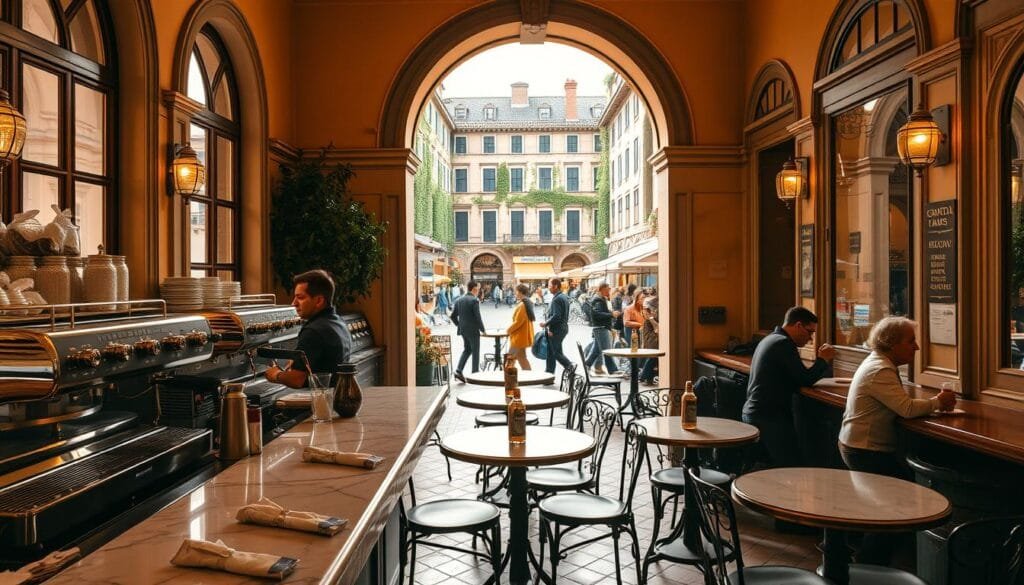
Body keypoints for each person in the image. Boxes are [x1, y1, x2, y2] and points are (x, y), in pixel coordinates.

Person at [838, 316, 955, 565]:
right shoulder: (880, 369)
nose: (917, 347)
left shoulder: (880, 363)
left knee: (886, 506)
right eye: (911, 341)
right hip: (865, 450)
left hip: (859, 446)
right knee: (895, 508)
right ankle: (868, 567)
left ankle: (864, 561)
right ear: (892, 344)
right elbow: (907, 409)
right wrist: (938, 402)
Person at [741, 306, 836, 468]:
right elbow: (805, 379)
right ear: (798, 325)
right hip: (769, 418)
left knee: (765, 468)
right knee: (790, 468)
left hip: (755, 412)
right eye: (810, 332)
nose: (811, 339)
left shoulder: (770, 339)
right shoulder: (783, 344)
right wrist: (823, 360)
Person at [265, 269, 353, 388]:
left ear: (319, 301)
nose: (293, 303)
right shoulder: (338, 322)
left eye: (300, 297)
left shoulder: (313, 331)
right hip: (336, 396)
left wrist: (275, 374)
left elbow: (297, 379)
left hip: (321, 400)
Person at [450, 280, 486, 382]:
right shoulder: (474, 301)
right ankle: (475, 375)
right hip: (473, 330)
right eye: (478, 289)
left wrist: (459, 325)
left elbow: (452, 316)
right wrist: (483, 330)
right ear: (474, 289)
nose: (478, 291)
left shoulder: (459, 300)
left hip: (463, 330)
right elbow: (478, 317)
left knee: (467, 349)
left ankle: (459, 370)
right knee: (475, 352)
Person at [538, 278, 574, 376]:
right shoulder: (562, 297)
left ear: (555, 286)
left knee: (553, 352)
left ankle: (569, 367)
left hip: (557, 329)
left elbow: (556, 316)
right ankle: (550, 373)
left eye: (549, 286)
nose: (548, 288)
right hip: (562, 328)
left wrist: (546, 324)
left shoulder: (557, 299)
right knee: (556, 351)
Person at [584, 282, 620, 375]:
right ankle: (613, 370)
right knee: (607, 350)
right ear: (602, 289)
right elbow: (596, 314)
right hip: (601, 327)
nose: (609, 291)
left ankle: (587, 364)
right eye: (608, 289)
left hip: (601, 327)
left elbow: (599, 312)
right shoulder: (598, 300)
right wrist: (611, 314)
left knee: (596, 350)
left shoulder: (600, 299)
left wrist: (610, 312)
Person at [506, 283, 535, 370]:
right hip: (522, 337)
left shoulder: (523, 305)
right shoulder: (527, 303)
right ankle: (529, 377)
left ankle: (508, 379)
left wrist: (508, 330)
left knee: (510, 360)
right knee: (522, 358)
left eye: (516, 291)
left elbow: (518, 322)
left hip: (518, 338)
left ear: (521, 292)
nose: (515, 293)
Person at [639, 293, 659, 384]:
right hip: (651, 338)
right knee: (652, 357)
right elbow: (657, 328)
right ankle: (644, 377)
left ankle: (648, 379)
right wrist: (652, 318)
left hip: (651, 338)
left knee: (653, 357)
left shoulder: (650, 315)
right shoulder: (650, 317)